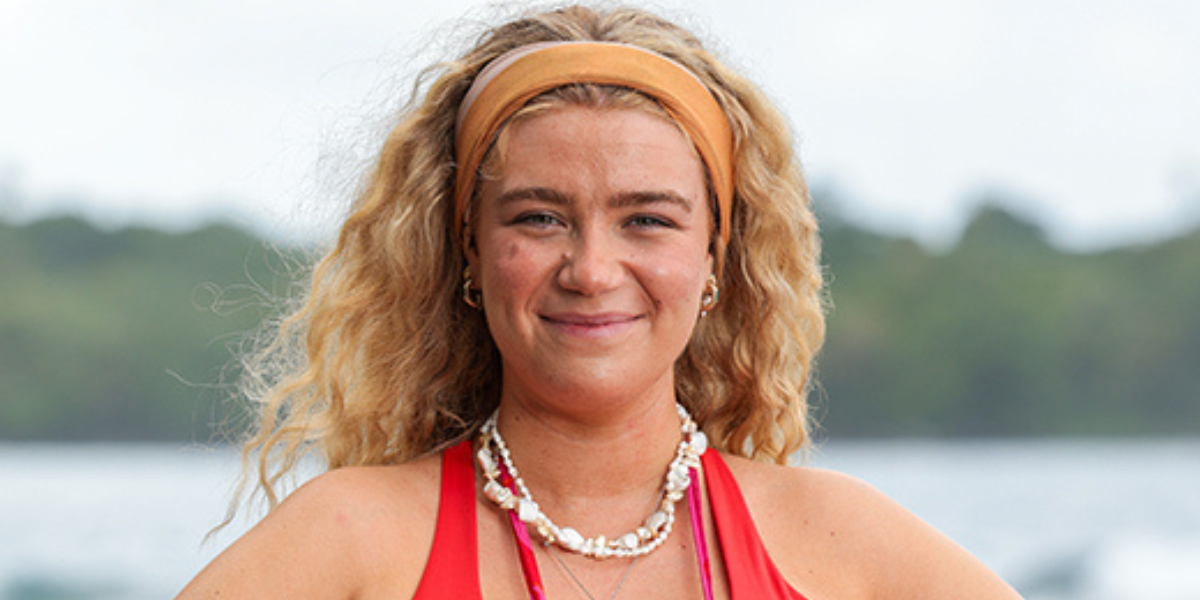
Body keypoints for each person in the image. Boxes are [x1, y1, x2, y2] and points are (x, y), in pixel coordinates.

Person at [177, 5, 1023, 600]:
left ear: (715, 256)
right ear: (469, 249)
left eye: (646, 220)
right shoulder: (348, 538)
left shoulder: (841, 545)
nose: (591, 268)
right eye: (539, 217)